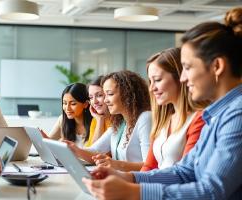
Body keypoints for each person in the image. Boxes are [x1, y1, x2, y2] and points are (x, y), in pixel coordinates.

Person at [82, 9, 242, 199]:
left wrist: (135, 192)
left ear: (217, 66)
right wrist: (128, 177)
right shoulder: (215, 114)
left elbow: (211, 191)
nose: (183, 78)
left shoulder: (237, 114)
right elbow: (185, 172)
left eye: (188, 68)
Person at [66, 70, 151, 172]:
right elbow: (95, 151)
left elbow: (149, 166)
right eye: (104, 95)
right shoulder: (120, 123)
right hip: (121, 181)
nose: (105, 100)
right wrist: (75, 149)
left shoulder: (145, 118)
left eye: (109, 94)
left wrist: (115, 164)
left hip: (138, 184)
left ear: (127, 94)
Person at [141, 47, 206, 171]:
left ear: (180, 77)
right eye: (150, 81)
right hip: (155, 187)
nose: (151, 88)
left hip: (170, 189)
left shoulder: (199, 118)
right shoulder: (163, 120)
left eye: (158, 80)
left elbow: (185, 173)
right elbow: (149, 166)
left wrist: (131, 183)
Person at [42, 83, 93, 147]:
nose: (67, 108)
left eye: (73, 104)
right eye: (65, 103)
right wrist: (42, 138)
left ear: (85, 104)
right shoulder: (63, 119)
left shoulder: (95, 122)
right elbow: (48, 143)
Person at [84, 76, 111, 147]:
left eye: (99, 95)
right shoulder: (95, 120)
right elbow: (91, 149)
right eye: (91, 97)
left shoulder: (118, 121)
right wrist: (100, 120)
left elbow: (96, 150)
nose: (94, 101)